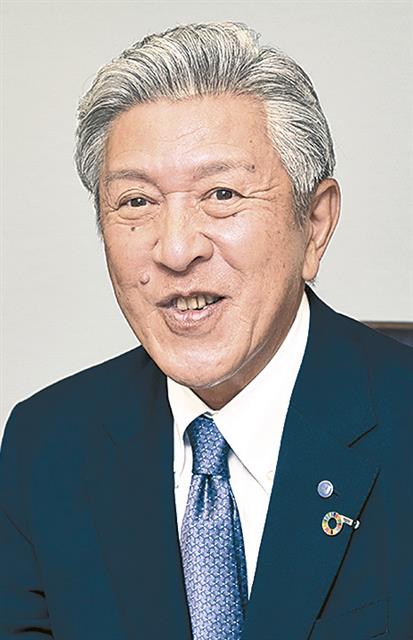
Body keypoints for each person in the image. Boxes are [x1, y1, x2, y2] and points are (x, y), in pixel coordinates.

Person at [0, 21, 412, 640]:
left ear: (315, 223)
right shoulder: (47, 445)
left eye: (221, 193)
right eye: (136, 202)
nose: (175, 249)